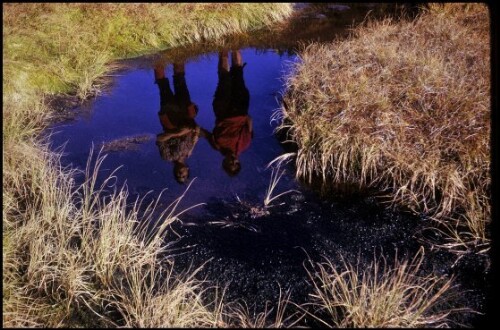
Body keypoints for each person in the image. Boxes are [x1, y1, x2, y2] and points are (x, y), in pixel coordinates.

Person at [154, 61, 203, 184]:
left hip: (170, 116)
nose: (181, 174)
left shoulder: (167, 157)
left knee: (163, 85)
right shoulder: (189, 152)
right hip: (185, 113)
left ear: (175, 173)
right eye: (184, 175)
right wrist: (195, 134)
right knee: (180, 80)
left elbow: (159, 139)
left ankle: (156, 58)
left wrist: (177, 134)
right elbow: (196, 130)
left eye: (178, 176)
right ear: (187, 170)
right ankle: (178, 55)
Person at [206, 49, 253, 176]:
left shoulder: (217, 145)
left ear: (224, 163)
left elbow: (205, 133)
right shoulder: (244, 145)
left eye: (230, 164)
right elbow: (249, 121)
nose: (233, 161)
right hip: (239, 108)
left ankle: (223, 48)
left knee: (224, 77)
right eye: (236, 163)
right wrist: (240, 114)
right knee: (238, 73)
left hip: (222, 110)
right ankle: (235, 44)